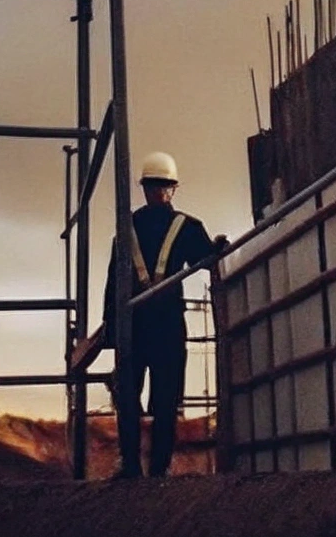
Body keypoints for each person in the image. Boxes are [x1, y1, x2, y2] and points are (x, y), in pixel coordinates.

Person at [102, 151, 224, 478]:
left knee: (129, 395)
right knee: (166, 397)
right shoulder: (186, 227)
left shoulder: (126, 228)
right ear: (173, 188)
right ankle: (158, 469)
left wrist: (113, 332)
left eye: (155, 186)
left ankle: (130, 465)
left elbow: (113, 282)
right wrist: (218, 248)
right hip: (166, 325)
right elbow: (207, 258)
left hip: (134, 326)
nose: (157, 192)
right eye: (158, 187)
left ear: (145, 187)